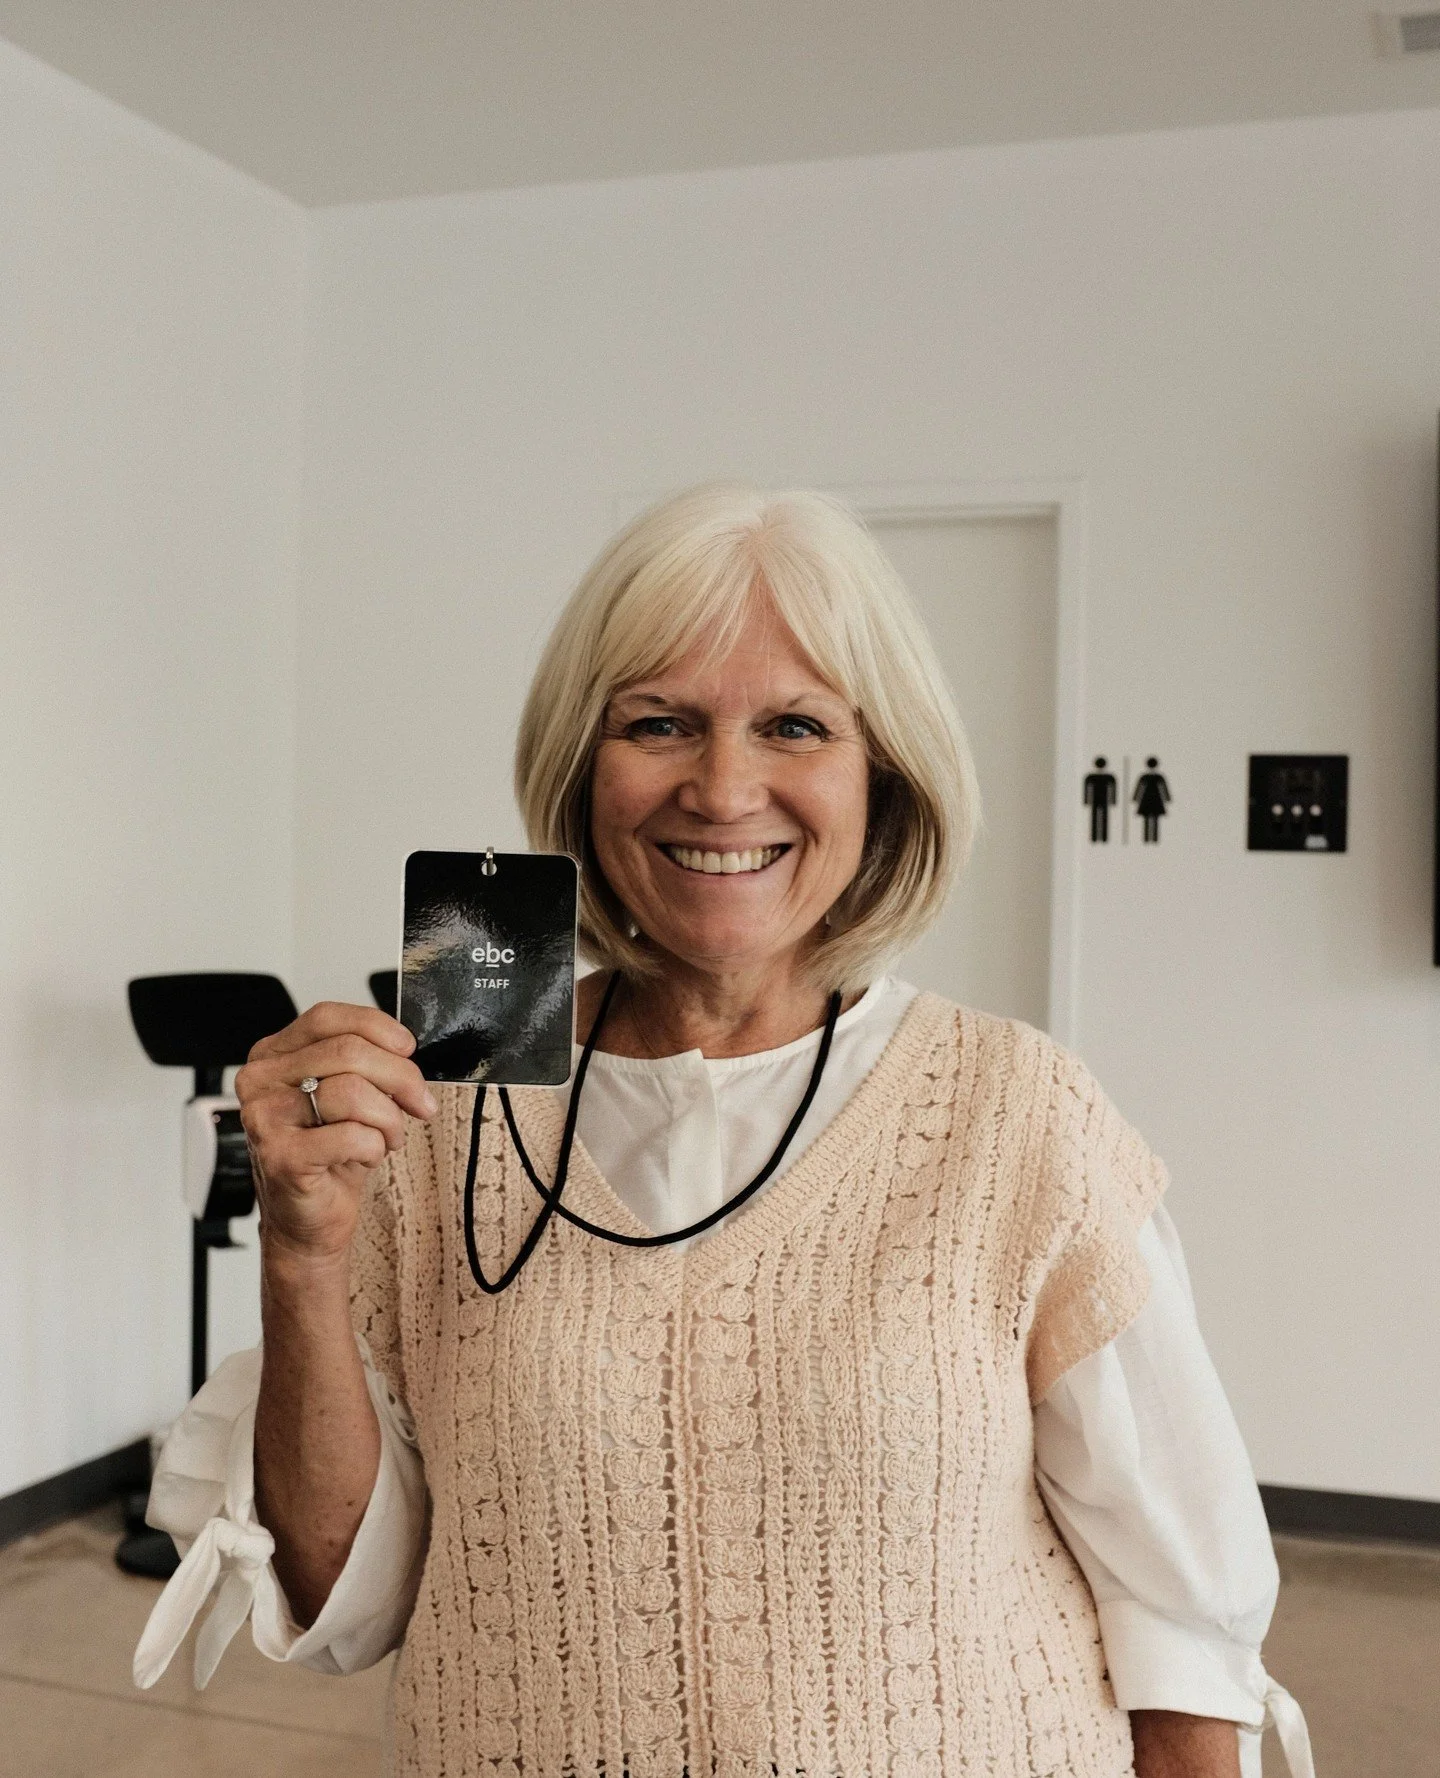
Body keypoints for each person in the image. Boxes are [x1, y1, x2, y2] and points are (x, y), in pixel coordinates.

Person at [133, 487, 1312, 1778]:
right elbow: (348, 1602)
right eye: (659, 723)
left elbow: (1183, 1620)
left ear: (885, 775)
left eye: (795, 724)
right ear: (585, 771)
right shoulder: (429, 1124)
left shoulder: (1018, 1114)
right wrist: (301, 1259)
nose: (723, 786)